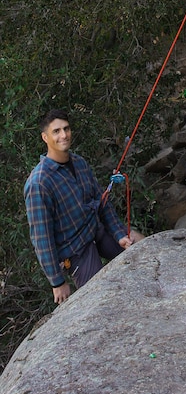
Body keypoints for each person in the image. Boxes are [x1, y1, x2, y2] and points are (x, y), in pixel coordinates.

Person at [24, 109, 143, 304]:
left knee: (140, 247)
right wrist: (57, 282)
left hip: (97, 230)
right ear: (45, 137)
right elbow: (41, 239)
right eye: (56, 131)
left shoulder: (79, 163)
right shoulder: (39, 183)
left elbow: (102, 203)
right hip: (76, 250)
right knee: (101, 300)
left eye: (66, 129)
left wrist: (119, 233)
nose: (64, 135)